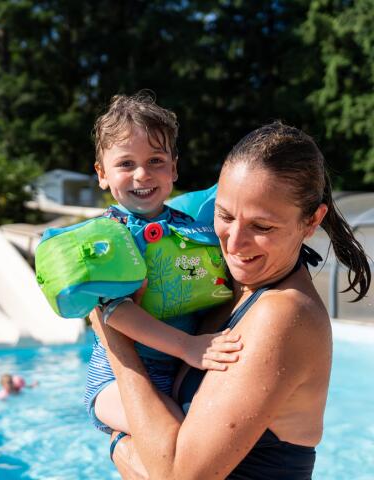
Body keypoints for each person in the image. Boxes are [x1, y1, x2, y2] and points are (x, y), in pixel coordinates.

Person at [91, 121, 371, 479]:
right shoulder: (229, 286)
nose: (234, 244)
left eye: (262, 227)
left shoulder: (283, 314)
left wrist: (112, 332)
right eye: (224, 216)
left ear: (312, 221)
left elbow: (179, 475)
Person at [85, 91, 242, 435]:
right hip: (116, 376)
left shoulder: (190, 224)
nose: (142, 174)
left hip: (178, 369)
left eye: (156, 161)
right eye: (126, 164)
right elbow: (115, 312)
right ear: (102, 173)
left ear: (173, 168)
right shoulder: (109, 237)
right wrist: (187, 346)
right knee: (175, 439)